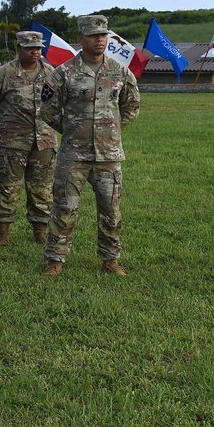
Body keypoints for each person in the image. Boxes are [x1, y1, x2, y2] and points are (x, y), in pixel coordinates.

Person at [39, 14, 140, 276]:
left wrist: (112, 130)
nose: (100, 39)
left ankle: (110, 259)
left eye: (104, 35)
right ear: (80, 38)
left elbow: (131, 105)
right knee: (64, 207)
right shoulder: (64, 73)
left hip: (108, 155)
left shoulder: (119, 71)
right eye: (94, 35)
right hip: (73, 154)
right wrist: (73, 130)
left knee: (111, 210)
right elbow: (48, 111)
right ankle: (55, 259)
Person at [0, 30, 57, 246]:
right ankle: (3, 234)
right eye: (30, 48)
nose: (35, 52)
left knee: (42, 190)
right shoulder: (3, 74)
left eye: (38, 48)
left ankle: (40, 231)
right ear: (19, 50)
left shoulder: (52, 74)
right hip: (10, 143)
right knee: (6, 188)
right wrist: (1, 127)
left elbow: (58, 104)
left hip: (43, 142)